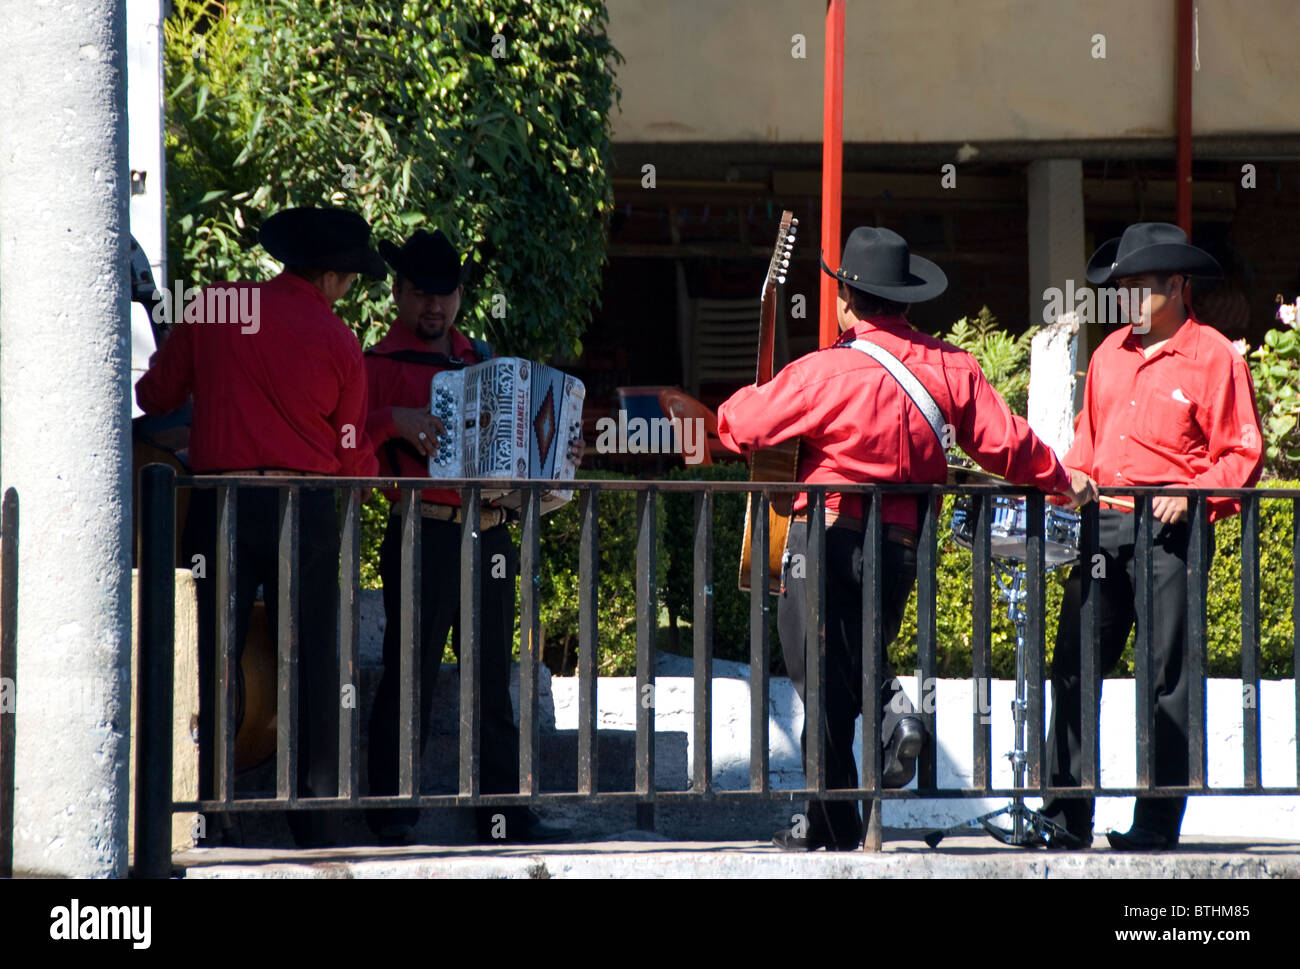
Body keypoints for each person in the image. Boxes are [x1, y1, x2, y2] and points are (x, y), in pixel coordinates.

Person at [716, 226, 1095, 851]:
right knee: (851, 666)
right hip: (899, 549)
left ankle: (863, 774)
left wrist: (742, 408)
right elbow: (1007, 444)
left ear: (846, 302)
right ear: (908, 300)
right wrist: (1062, 477)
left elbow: (742, 424)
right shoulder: (952, 367)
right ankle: (835, 808)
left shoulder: (823, 371)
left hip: (825, 538)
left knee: (822, 681)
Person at [136, 206, 383, 847]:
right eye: (350, 278)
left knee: (210, 657)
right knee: (314, 657)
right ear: (331, 277)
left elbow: (154, 396)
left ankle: (204, 812)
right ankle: (319, 816)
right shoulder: (339, 343)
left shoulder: (218, 307)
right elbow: (352, 452)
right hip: (306, 509)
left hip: (221, 504)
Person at [1042, 222, 1264, 851]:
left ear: (1177, 284)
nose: (1130, 297)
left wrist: (1190, 493)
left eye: (1142, 285)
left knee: (1167, 677)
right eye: (1124, 287)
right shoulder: (1108, 353)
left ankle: (1156, 824)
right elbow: (1087, 442)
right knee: (1074, 668)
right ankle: (1065, 817)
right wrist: (1073, 476)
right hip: (1102, 525)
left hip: (1172, 534)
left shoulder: (1214, 355)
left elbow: (1242, 454)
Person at [363, 229, 578, 845]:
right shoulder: (375, 366)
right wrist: (392, 423)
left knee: (492, 681)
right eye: (423, 293)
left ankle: (502, 815)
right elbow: (347, 451)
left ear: (460, 295)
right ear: (399, 293)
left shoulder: (480, 359)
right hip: (421, 533)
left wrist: (559, 449)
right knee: (412, 677)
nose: (435, 305)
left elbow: (519, 449)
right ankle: (391, 816)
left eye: (447, 293)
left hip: (490, 536)